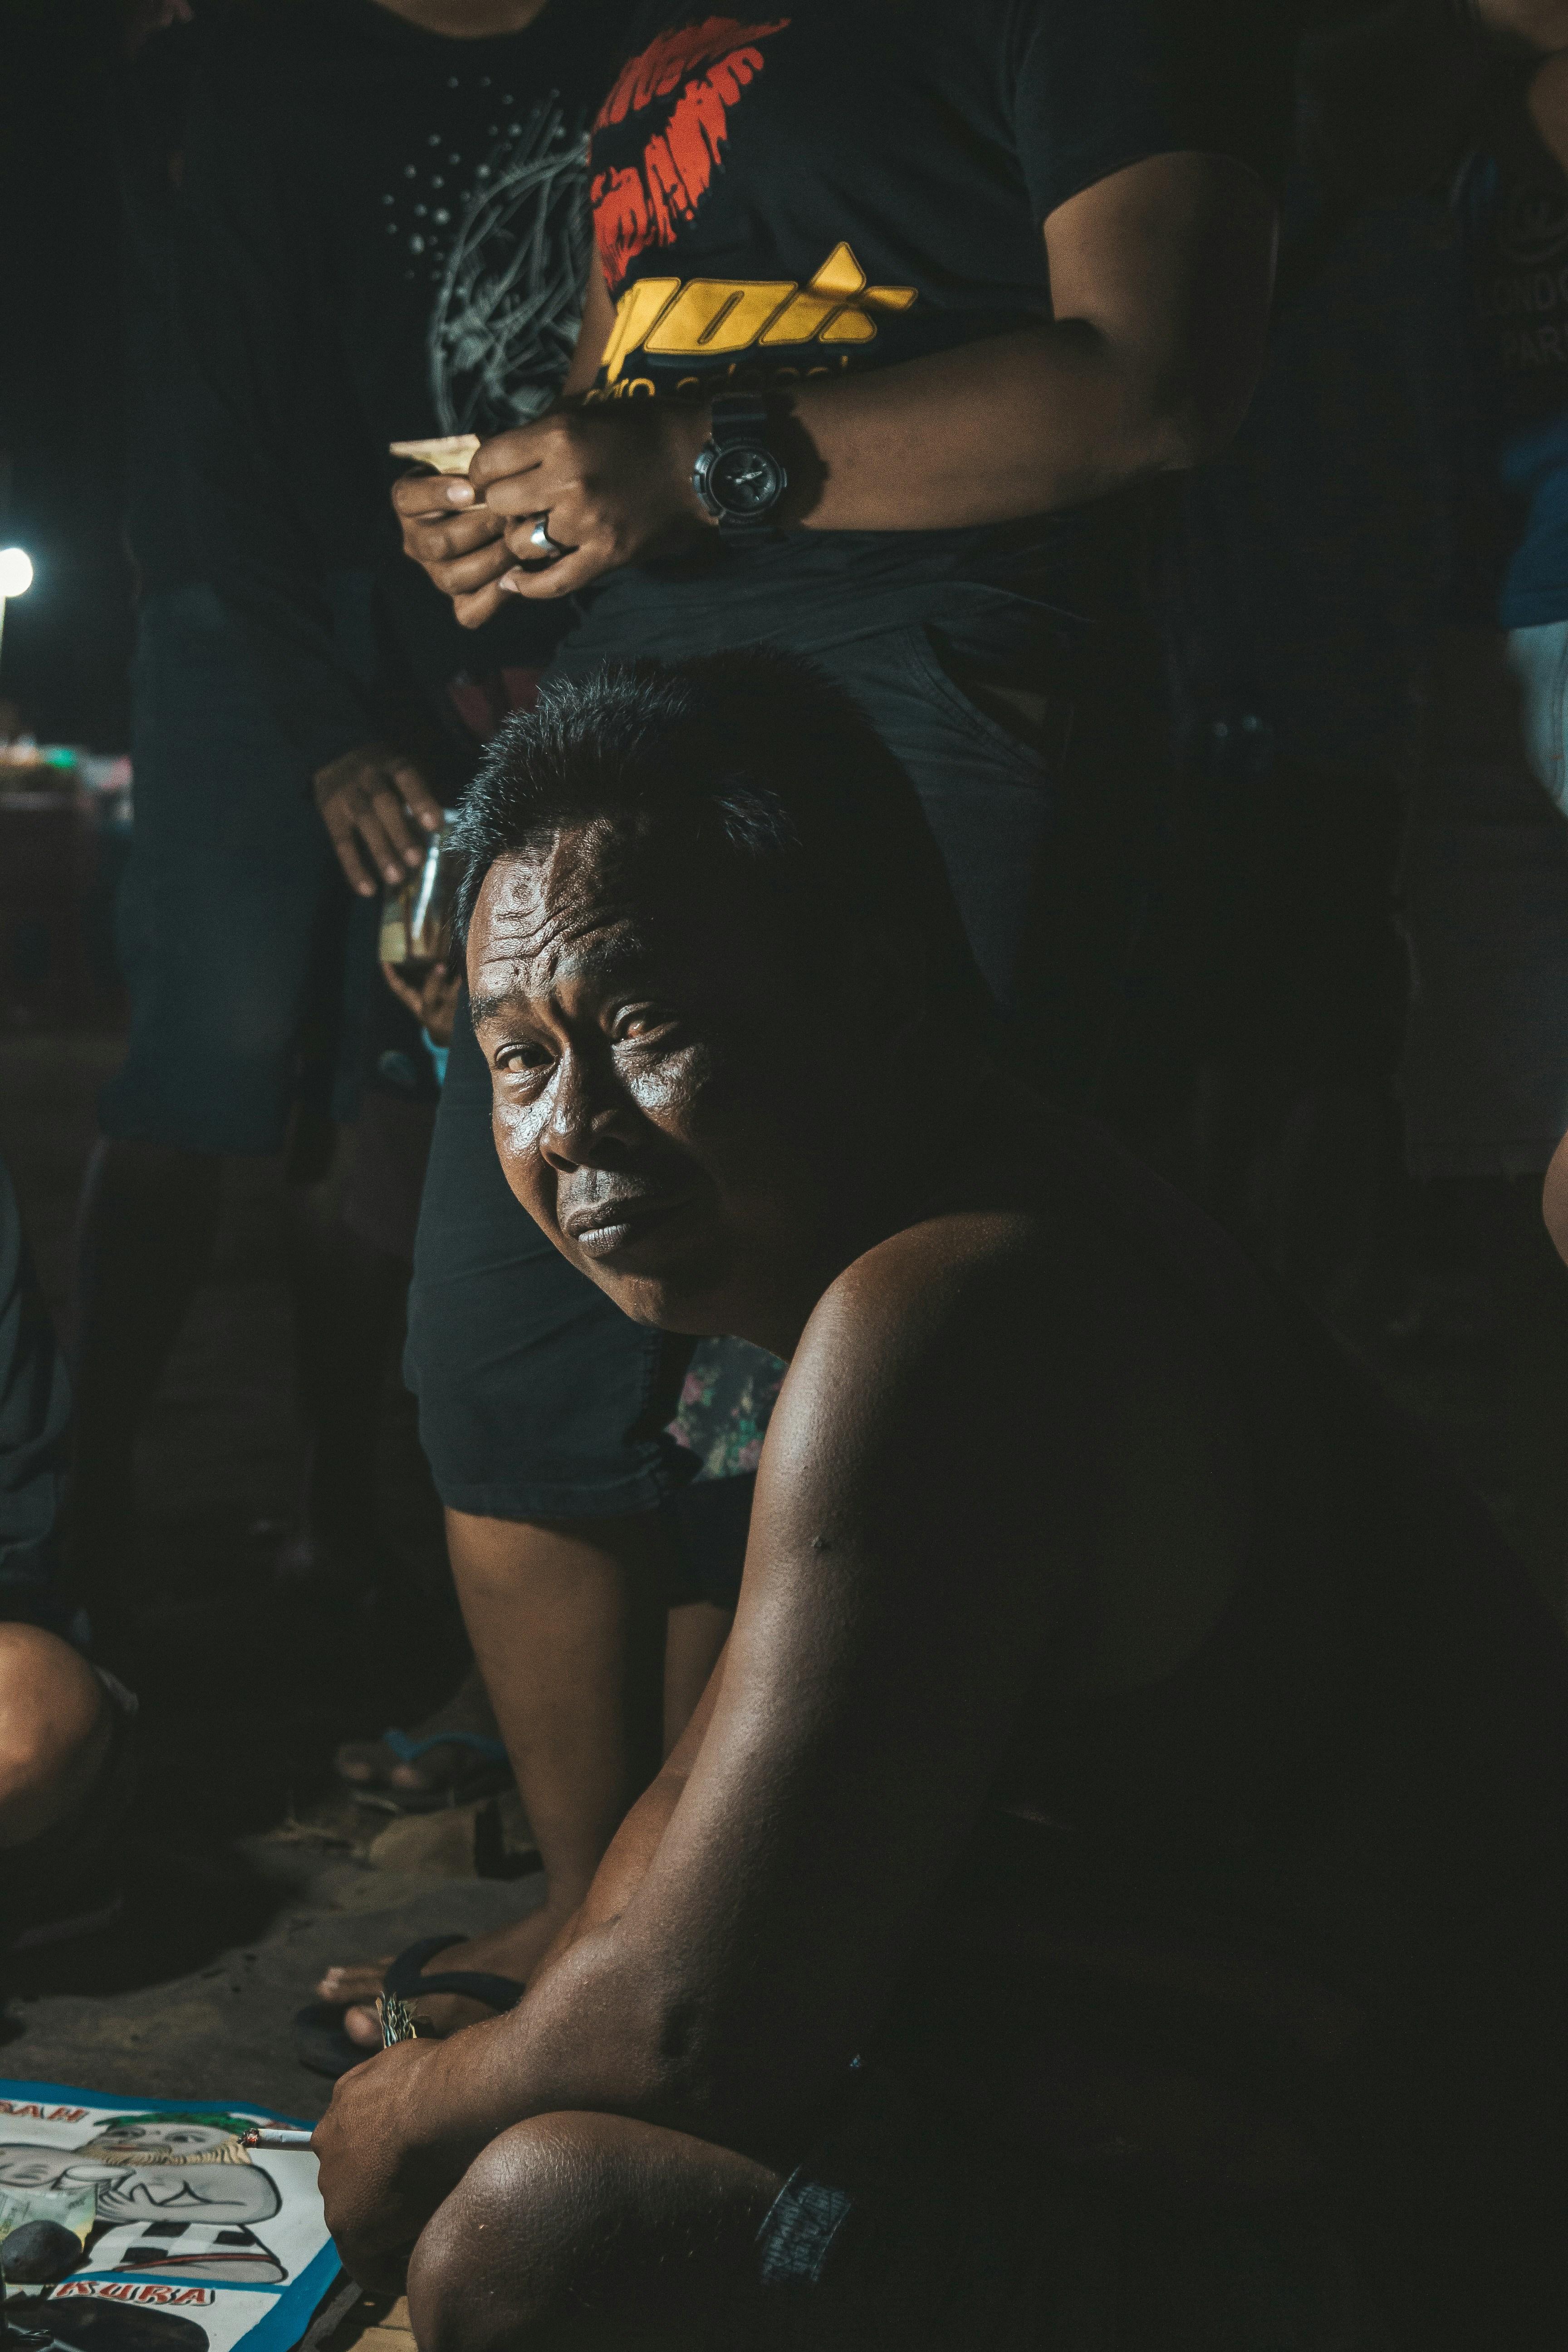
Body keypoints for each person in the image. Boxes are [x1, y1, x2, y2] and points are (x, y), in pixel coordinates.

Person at [312, 653, 1568, 2350]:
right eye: (517, 1059)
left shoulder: (954, 1309)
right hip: (1251, 2093)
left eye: (645, 1026)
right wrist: (524, 2007)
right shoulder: (925, 1217)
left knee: (538, 2233)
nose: (574, 1132)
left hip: (1419, 2242)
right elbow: (683, 1843)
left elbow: (690, 2030)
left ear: (878, 990)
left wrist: (415, 2105)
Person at [375, 0, 1285, 2012]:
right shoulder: (649, 42)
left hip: (923, 676)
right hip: (634, 696)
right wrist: (542, 504)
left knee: (843, 1350)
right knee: (499, 1331)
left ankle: (776, 1920)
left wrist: (699, 465)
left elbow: (1153, 382)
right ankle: (608, 1901)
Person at [73, 0, 629, 1774]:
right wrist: (319, 731)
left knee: (399, 1087)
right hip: (258, 611)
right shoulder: (264, 62)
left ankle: (345, 1512)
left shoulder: (607, 52)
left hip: (474, 616)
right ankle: (72, 1530)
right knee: (215, 1068)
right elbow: (220, 430)